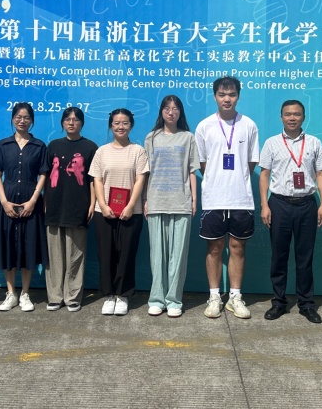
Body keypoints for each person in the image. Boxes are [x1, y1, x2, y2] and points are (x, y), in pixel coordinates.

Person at [259, 100, 322, 322]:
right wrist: (264, 205)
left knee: (304, 257)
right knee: (278, 256)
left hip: (307, 204)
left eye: (297, 114)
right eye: (288, 114)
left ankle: (306, 304)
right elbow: (264, 174)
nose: (292, 118)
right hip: (279, 204)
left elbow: (321, 174)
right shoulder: (271, 143)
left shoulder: (314, 142)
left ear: (303, 117)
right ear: (281, 117)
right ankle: (278, 302)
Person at [194, 76, 259, 319]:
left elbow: (251, 162)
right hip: (214, 198)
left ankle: (235, 297)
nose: (227, 99)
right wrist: (218, 179)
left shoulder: (249, 125)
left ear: (238, 96)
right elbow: (203, 164)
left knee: (238, 248)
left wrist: (236, 179)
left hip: (241, 198)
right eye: (222, 94)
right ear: (215, 97)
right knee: (214, 248)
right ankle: (214, 296)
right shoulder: (204, 126)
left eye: (231, 94)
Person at [0, 102, 49, 312]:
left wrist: (33, 200)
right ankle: (11, 293)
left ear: (32, 120)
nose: (22, 121)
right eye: (18, 117)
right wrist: (4, 201)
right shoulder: (3, 145)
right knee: (9, 247)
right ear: (13, 119)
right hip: (8, 199)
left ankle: (25, 294)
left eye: (26, 117)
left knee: (29, 245)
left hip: (31, 200)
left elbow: (43, 174)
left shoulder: (39, 146)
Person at [88, 108, 149, 316]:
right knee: (106, 254)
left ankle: (123, 295)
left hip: (132, 211)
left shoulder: (138, 151)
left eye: (125, 123)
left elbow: (140, 179)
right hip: (104, 211)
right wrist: (103, 205)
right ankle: (109, 295)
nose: (120, 126)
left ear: (131, 125)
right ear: (110, 125)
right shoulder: (101, 152)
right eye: (116, 123)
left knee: (127, 254)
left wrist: (131, 205)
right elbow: (97, 180)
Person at [144, 95, 200, 318]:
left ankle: (174, 300)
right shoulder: (152, 138)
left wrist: (194, 200)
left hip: (180, 202)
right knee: (157, 255)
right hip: (156, 201)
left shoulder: (188, 137)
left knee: (178, 256)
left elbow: (192, 170)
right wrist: (145, 200)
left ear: (180, 112)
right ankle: (157, 299)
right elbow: (146, 172)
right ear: (161, 112)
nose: (171, 112)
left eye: (175, 108)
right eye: (167, 108)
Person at [43, 107, 98, 312]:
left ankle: (73, 296)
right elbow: (46, 177)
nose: (71, 122)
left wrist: (92, 204)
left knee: (76, 254)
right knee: (54, 255)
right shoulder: (53, 146)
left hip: (78, 206)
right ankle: (55, 296)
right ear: (62, 123)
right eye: (67, 119)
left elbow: (93, 180)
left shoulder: (90, 147)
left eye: (76, 119)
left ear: (82, 123)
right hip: (54, 206)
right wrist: (44, 202)